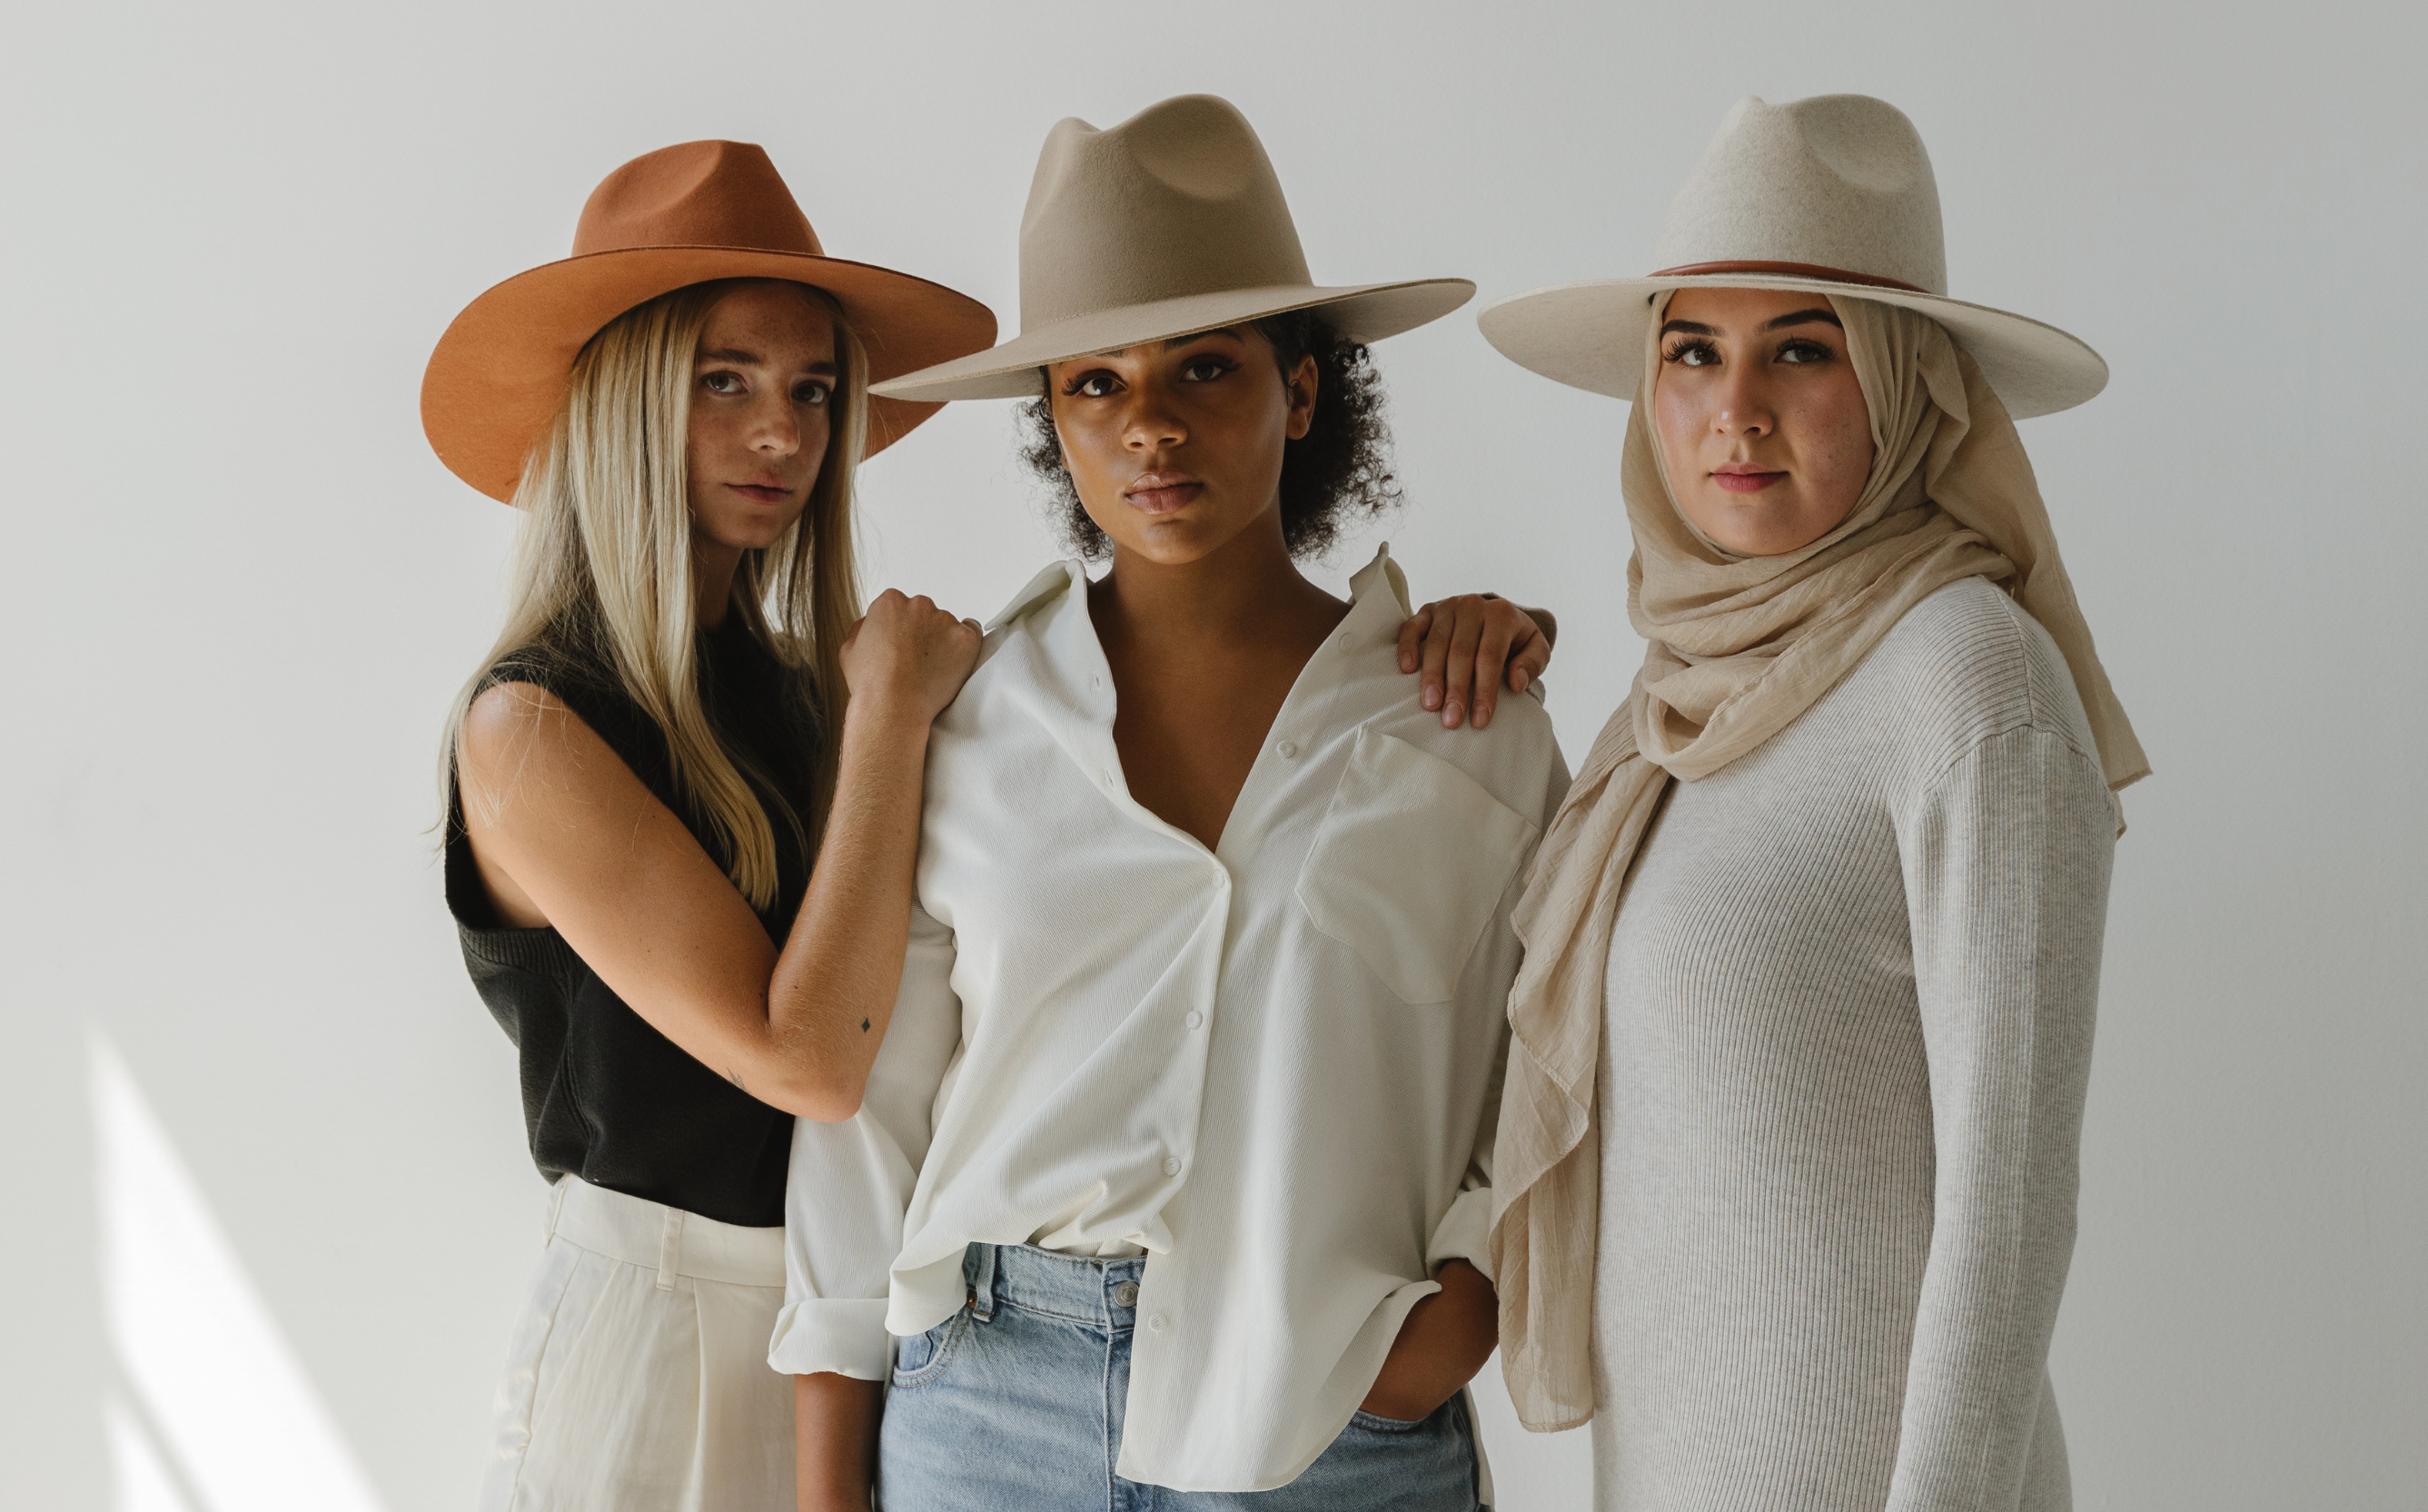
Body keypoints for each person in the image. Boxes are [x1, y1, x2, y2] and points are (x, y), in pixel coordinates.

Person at [771, 94, 1568, 1510]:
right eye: (1095, 383)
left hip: (1337, 1416)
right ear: (1054, 423)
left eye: (1206, 370)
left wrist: (1470, 1292)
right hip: (989, 1414)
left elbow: (1552, 1058)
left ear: (1303, 392)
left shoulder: (1465, 721)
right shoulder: (965, 722)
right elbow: (866, 1128)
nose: (1150, 426)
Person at [1476, 94, 2150, 1511]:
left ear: (1907, 384)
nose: (1735, 409)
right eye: (1692, 352)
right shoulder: (1669, 712)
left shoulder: (1970, 681)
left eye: (1802, 348)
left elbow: (2011, 1205)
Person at [425, 139, 997, 1512]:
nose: (785, 436)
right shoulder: (530, 730)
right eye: (723, 382)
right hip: (666, 1326)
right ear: (624, 398)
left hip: (860, 1322)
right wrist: (887, 727)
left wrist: (1450, 648)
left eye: (812, 391)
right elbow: (806, 1062)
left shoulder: (819, 695)